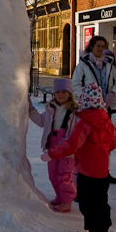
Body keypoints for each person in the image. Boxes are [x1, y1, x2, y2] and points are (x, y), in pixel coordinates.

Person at [42, 82, 116, 232]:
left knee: (87, 202)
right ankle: (104, 231)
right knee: (101, 201)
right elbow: (114, 143)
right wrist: (103, 150)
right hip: (103, 171)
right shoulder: (106, 122)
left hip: (87, 171)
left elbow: (71, 145)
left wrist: (51, 154)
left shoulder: (84, 123)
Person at [72, 35, 116, 183]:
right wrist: (86, 99)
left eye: (103, 46)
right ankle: (84, 170)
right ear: (92, 47)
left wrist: (112, 93)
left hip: (104, 109)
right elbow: (75, 83)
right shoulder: (84, 63)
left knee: (104, 140)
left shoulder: (109, 63)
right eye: (98, 46)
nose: (100, 49)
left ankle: (104, 170)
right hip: (88, 109)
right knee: (88, 140)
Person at [28, 78, 79, 213]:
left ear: (70, 94)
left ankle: (67, 201)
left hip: (67, 147)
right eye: (58, 92)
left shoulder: (75, 112)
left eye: (64, 92)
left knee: (64, 175)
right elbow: (40, 121)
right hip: (52, 145)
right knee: (53, 174)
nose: (60, 95)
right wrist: (31, 109)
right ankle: (60, 196)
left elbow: (78, 131)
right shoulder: (51, 109)